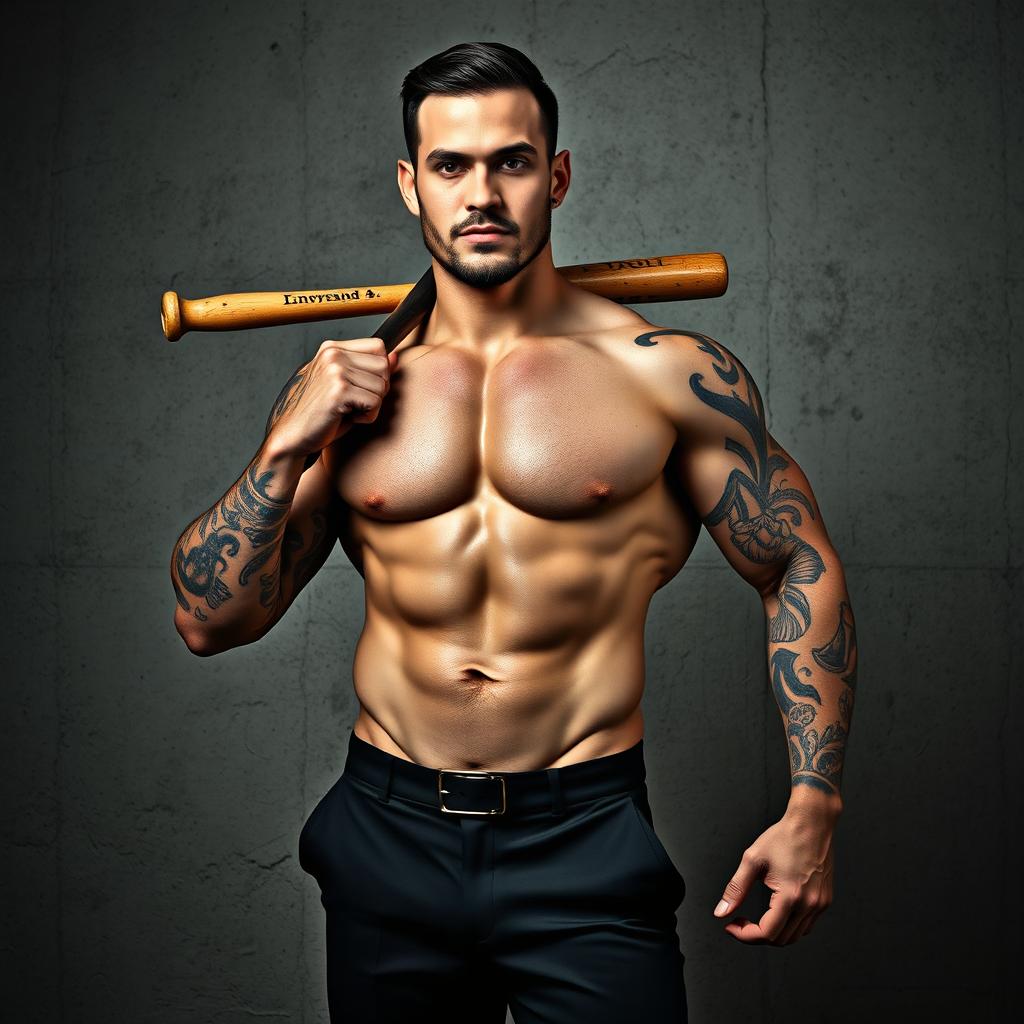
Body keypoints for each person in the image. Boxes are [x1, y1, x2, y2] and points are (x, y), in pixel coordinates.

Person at [170, 40, 857, 1024]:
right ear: (411, 185)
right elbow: (209, 619)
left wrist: (813, 804)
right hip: (386, 832)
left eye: (512, 161)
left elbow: (798, 559)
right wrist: (283, 452)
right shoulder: (344, 390)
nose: (481, 192)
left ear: (557, 176)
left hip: (581, 835)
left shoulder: (661, 372)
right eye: (451, 165)